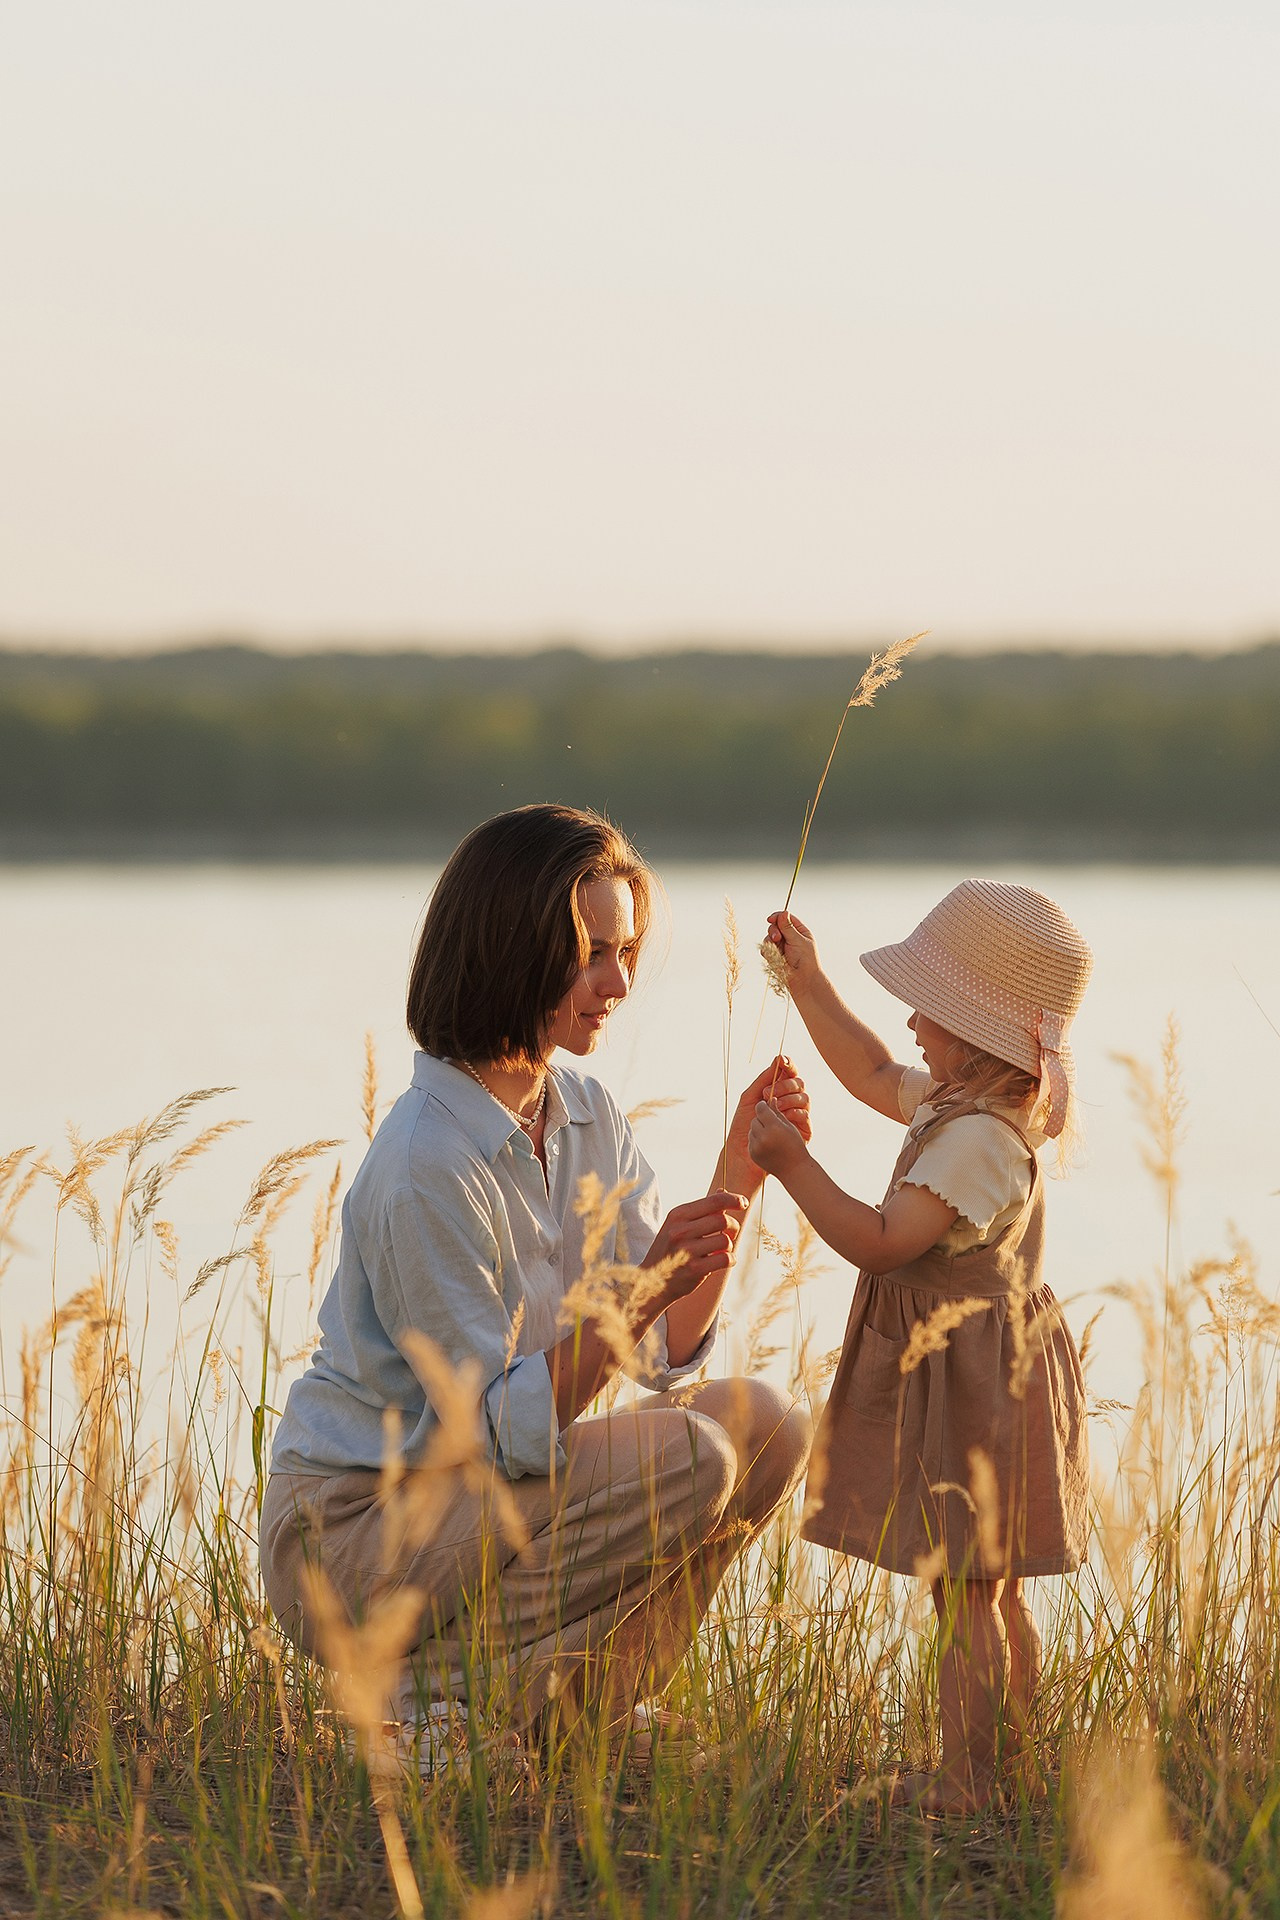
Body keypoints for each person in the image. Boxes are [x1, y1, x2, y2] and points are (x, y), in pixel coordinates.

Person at [260, 803, 812, 1773]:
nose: (619, 982)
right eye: (593, 953)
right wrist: (634, 1294)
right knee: (691, 1456)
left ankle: (580, 1711)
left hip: (477, 1504)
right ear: (511, 951)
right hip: (351, 1536)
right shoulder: (426, 1160)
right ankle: (421, 1705)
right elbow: (494, 1433)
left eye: (627, 950)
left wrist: (738, 1170)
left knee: (767, 1426)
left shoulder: (583, 1112)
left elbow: (660, 1354)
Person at [748, 880, 1092, 1814]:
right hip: (983, 1374)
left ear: (976, 1034)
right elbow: (865, 1068)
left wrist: (788, 1164)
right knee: (987, 1590)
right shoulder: (962, 1101)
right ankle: (1004, 1768)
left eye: (930, 1009)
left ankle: (967, 1782)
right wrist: (808, 981)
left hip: (976, 1385)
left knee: (968, 1595)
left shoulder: (978, 1139)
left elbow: (880, 1239)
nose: (909, 1020)